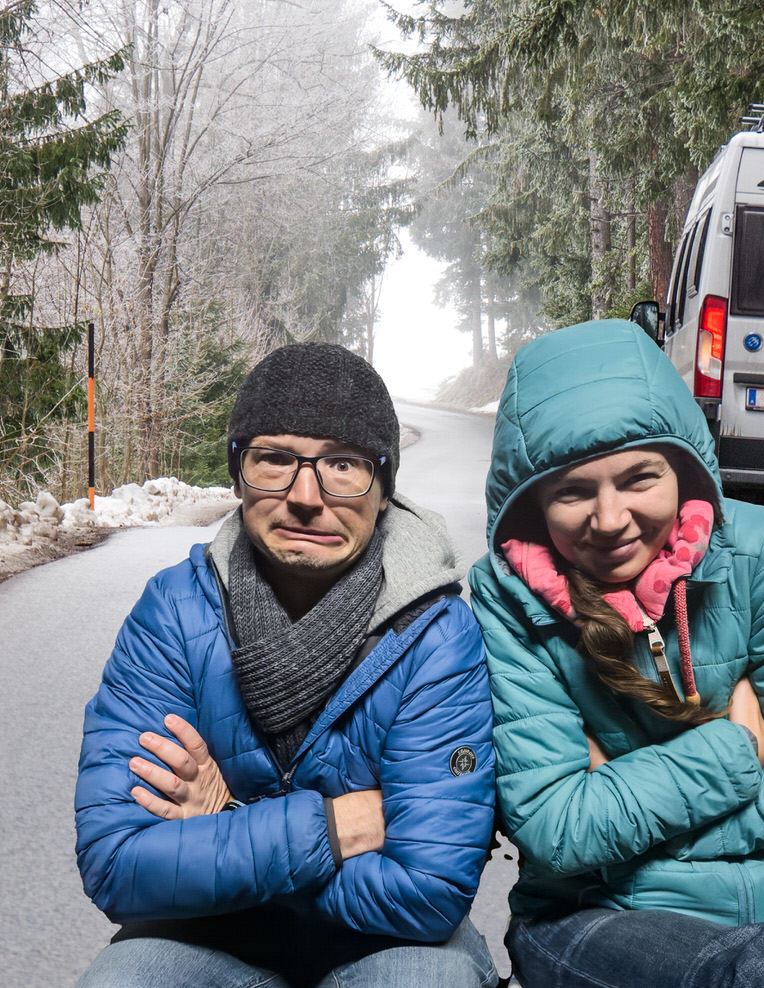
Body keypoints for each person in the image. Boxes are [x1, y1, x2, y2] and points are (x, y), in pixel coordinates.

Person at [73, 342, 498, 987]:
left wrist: (226, 829)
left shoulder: (436, 633)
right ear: (238, 472)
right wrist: (335, 824)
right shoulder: (176, 613)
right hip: (209, 935)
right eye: (275, 460)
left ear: (383, 488)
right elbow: (118, 860)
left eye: (344, 465)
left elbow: (428, 887)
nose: (305, 495)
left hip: (386, 944)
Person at [468, 319, 764, 986]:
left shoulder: (760, 553)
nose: (611, 518)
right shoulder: (509, 596)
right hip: (588, 918)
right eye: (573, 490)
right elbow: (552, 826)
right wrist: (736, 750)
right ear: (534, 501)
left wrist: (617, 806)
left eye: (637, 479)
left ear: (681, 468)